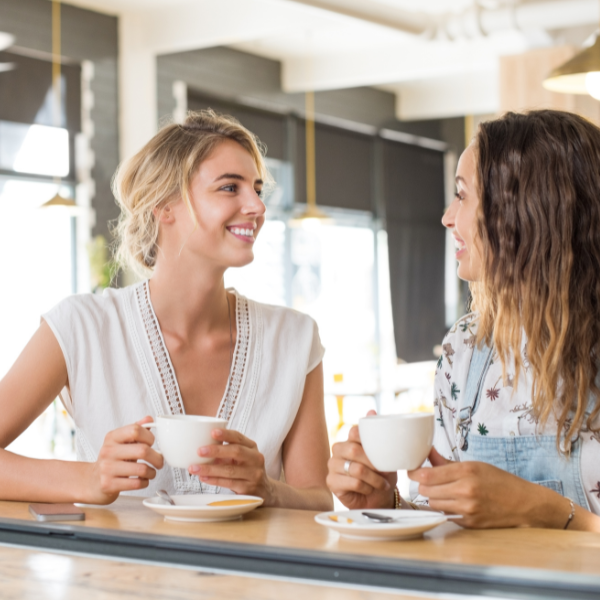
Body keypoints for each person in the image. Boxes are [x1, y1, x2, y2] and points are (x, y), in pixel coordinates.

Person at [0, 110, 333, 510]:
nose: (257, 207)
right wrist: (88, 478)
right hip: (115, 574)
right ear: (164, 205)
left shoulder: (294, 338)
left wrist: (268, 488)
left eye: (257, 189)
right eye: (230, 188)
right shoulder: (80, 327)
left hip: (256, 575)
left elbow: (319, 499)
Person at [328, 110, 600, 531]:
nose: (447, 217)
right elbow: (449, 525)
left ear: (524, 209)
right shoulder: (467, 347)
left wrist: (543, 510)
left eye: (463, 195)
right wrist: (389, 502)